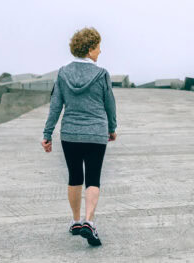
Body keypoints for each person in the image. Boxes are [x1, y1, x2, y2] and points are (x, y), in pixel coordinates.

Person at [41, 26, 117, 247]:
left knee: (75, 177)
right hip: (95, 133)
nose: (100, 51)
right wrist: (112, 128)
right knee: (93, 178)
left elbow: (55, 106)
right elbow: (109, 104)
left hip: (70, 134)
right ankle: (89, 222)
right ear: (90, 48)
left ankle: (75, 221)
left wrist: (47, 134)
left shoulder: (63, 73)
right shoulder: (102, 74)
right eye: (98, 47)